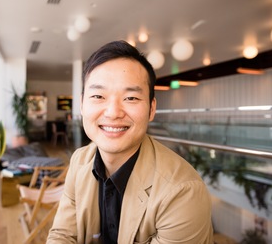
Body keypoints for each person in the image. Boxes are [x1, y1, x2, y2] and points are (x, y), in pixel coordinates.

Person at [47, 40, 214, 243]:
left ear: (152, 109)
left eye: (131, 98)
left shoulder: (182, 192)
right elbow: (63, 235)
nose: (113, 113)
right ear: (82, 105)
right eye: (98, 95)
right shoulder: (79, 160)